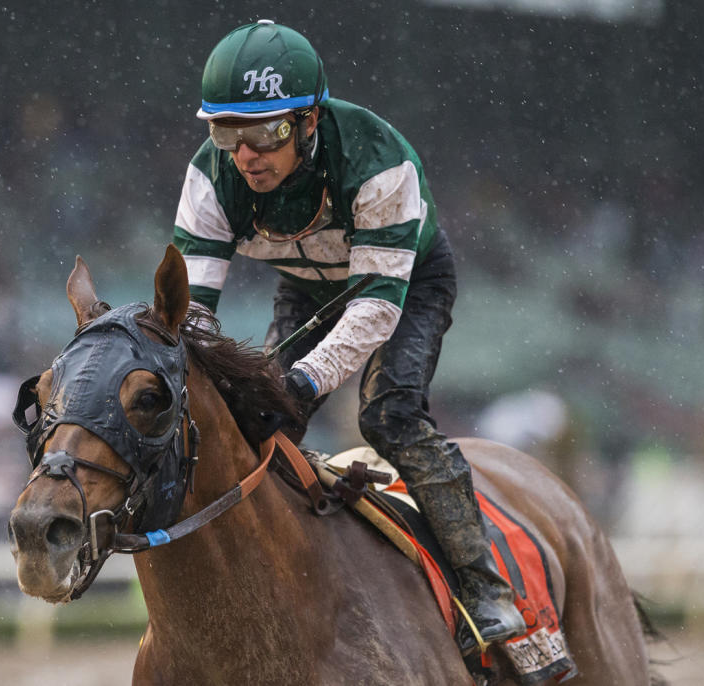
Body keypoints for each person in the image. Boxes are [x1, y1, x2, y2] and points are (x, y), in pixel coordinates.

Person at [171, 19, 526, 651]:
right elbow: (191, 318)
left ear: (310, 121)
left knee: (388, 416)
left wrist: (303, 379)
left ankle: (483, 584)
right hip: (308, 286)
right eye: (226, 131)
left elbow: (373, 310)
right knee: (263, 418)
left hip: (404, 284)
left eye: (266, 132)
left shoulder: (378, 159)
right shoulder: (210, 178)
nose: (246, 154)